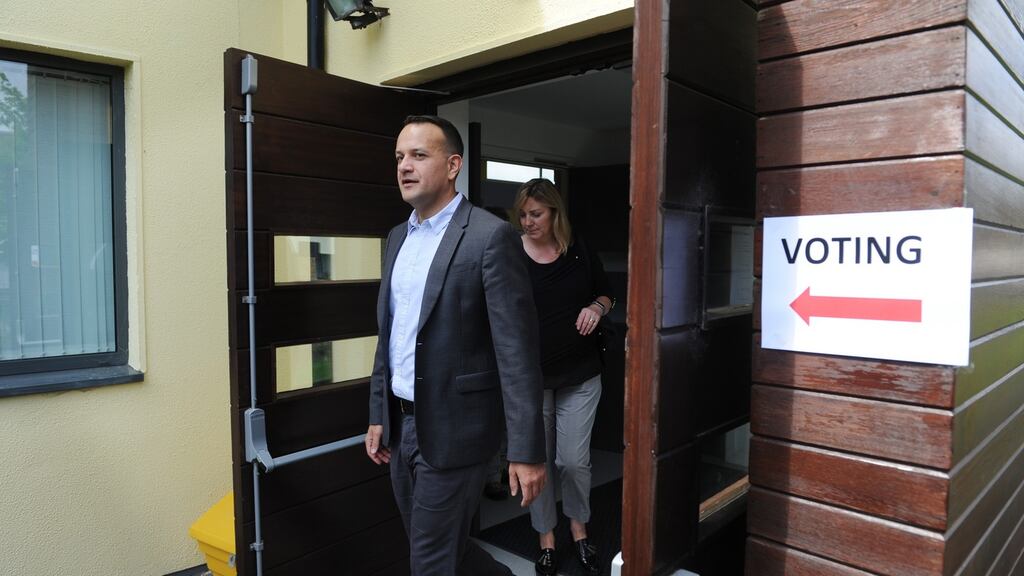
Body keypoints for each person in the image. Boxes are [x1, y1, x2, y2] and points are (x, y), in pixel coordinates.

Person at [365, 115, 547, 575]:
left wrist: (526, 451)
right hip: (401, 426)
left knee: (429, 561)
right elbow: (392, 335)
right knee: (441, 548)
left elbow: (517, 353)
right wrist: (377, 413)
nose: (405, 166)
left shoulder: (489, 237)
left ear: (453, 166)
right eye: (400, 157)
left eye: (419, 155)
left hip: (457, 431)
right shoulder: (396, 238)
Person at [514, 178, 613, 576]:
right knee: (536, 463)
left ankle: (579, 529)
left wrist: (596, 308)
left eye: (535, 214)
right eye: (522, 215)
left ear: (555, 213)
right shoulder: (510, 254)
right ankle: (546, 539)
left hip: (580, 375)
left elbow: (607, 292)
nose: (527, 222)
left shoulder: (579, 251)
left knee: (572, 461)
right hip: (530, 381)